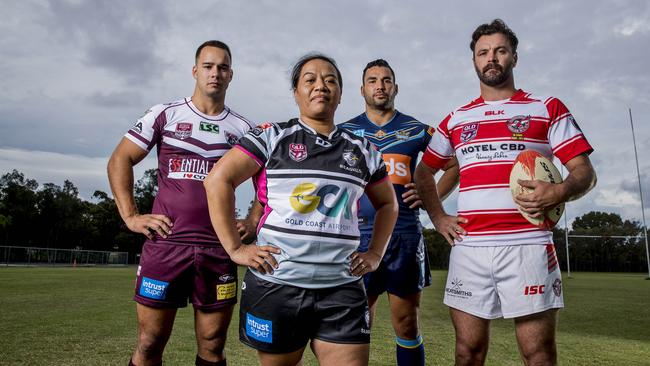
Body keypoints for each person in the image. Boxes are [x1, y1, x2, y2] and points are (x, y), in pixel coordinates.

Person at [414, 19, 596, 365]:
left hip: (528, 245)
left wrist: (558, 191)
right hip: (470, 248)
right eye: (483, 52)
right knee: (468, 352)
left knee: (538, 354)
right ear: (474, 61)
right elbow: (424, 172)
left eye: (500, 51)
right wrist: (437, 217)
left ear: (514, 57)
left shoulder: (547, 107)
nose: (491, 58)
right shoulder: (455, 119)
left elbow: (584, 172)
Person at [204, 53, 398, 366]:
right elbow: (218, 180)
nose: (321, 85)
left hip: (342, 288)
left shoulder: (363, 150)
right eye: (310, 80)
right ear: (296, 92)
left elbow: (388, 203)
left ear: (340, 94)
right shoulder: (270, 137)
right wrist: (235, 248)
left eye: (330, 80)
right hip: (277, 284)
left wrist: (375, 253)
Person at [107, 40, 256, 366]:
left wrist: (254, 219)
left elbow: (267, 180)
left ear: (231, 75)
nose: (215, 73)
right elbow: (120, 159)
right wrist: (131, 216)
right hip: (167, 245)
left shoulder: (243, 129)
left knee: (213, 345)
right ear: (195, 71)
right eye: (208, 66)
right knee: (149, 342)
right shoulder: (165, 114)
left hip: (219, 249)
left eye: (222, 67)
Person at [339, 59, 459, 366]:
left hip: (404, 235)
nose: (380, 85)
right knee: (354, 325)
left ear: (396, 87)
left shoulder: (416, 129)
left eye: (386, 80)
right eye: (373, 80)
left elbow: (453, 164)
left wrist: (431, 195)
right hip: (357, 236)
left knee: (407, 323)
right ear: (362, 89)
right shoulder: (345, 132)